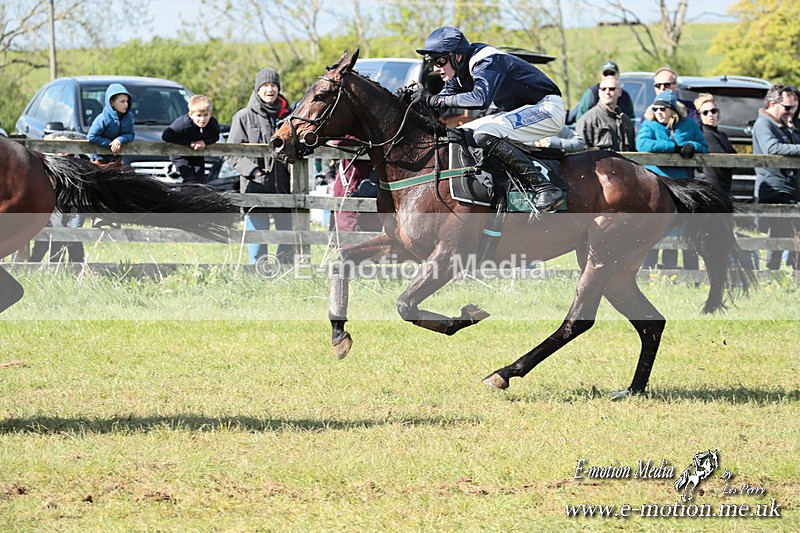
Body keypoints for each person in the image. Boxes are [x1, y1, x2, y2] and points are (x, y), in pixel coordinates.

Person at [413, 26, 565, 213]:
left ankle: (546, 188)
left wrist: (435, 99)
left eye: (440, 60)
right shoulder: (458, 72)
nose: (436, 68)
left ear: (457, 56)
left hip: (547, 108)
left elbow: (480, 99)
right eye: (433, 62)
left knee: (484, 133)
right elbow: (438, 106)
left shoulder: (486, 60)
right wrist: (411, 104)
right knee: (461, 133)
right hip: (524, 111)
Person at [226, 67, 294, 265]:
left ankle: (285, 268)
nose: (270, 89)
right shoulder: (243, 117)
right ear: (257, 89)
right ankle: (258, 270)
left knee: (287, 232)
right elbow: (232, 153)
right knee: (257, 232)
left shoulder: (288, 116)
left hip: (283, 185)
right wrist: (254, 172)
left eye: (273, 85)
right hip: (255, 185)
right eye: (265, 85)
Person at [636, 89, 708, 270]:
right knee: (653, 228)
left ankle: (672, 270)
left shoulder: (688, 125)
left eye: (663, 108)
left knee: (676, 228)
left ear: (672, 110)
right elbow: (643, 144)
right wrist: (673, 147)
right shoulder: (649, 125)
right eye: (656, 108)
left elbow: (704, 145)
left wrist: (692, 146)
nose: (659, 112)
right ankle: (648, 269)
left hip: (681, 185)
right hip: (656, 185)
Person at [752, 84, 800, 270]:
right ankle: (774, 272)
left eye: (794, 108)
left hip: (788, 186)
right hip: (774, 186)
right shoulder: (764, 123)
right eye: (787, 108)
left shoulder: (783, 124)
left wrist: (791, 129)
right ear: (773, 103)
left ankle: (787, 272)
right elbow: (772, 149)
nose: (791, 112)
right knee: (781, 232)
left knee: (788, 231)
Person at [162, 95, 221, 184]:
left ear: (210, 114)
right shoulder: (183, 123)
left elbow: (215, 136)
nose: (202, 119)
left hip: (196, 153)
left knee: (200, 180)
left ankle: (200, 197)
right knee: (190, 179)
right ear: (191, 114)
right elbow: (166, 135)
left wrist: (204, 142)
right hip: (179, 153)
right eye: (199, 115)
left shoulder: (212, 123)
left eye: (206, 115)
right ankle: (185, 197)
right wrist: (189, 143)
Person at [575, 75, 636, 151]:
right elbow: (580, 155)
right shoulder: (587, 120)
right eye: (603, 89)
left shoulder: (627, 122)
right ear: (599, 92)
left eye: (611, 89)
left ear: (619, 92)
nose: (607, 92)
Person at [694, 93, 735, 193]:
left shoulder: (722, 135)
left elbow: (734, 159)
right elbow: (725, 160)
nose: (710, 114)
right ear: (699, 116)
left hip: (724, 186)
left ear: (718, 113)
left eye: (713, 111)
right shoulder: (705, 135)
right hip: (711, 189)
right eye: (705, 112)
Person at [87, 83, 134, 165]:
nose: (126, 104)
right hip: (100, 160)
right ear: (112, 103)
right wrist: (110, 144)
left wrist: (119, 140)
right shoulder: (103, 118)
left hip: (117, 159)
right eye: (122, 101)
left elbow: (131, 134)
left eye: (127, 101)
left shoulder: (129, 116)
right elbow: (91, 136)